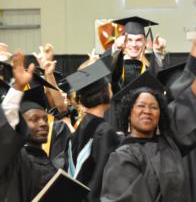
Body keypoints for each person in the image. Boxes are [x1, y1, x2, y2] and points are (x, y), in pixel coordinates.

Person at [100, 34, 196, 201]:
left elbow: (190, 99)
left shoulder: (168, 144)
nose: (147, 111)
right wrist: (111, 53)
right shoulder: (120, 155)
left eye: (154, 107)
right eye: (141, 106)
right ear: (128, 113)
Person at [0, 51, 57, 201]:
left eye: (45, 118)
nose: (43, 123)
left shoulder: (47, 161)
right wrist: (18, 88)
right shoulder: (15, 160)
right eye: (34, 119)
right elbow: (6, 127)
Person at [64, 60, 121, 201]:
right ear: (105, 94)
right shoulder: (104, 131)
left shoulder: (76, 132)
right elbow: (103, 180)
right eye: (109, 87)